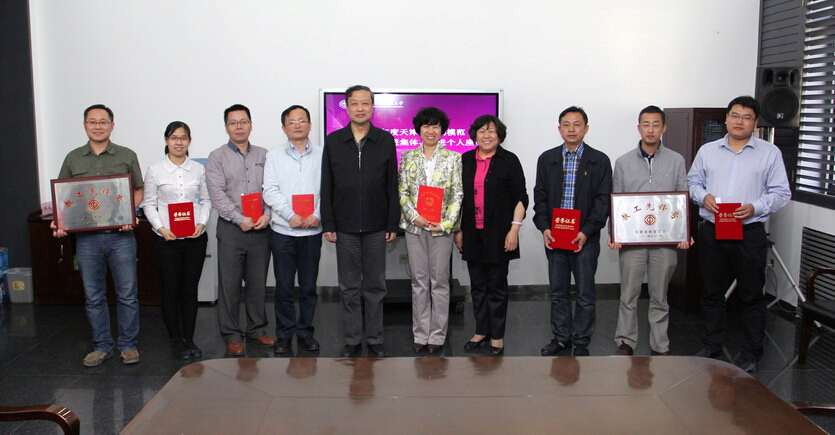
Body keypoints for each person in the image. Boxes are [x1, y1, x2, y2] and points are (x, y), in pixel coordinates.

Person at [687, 95, 791, 374]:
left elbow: (781, 193)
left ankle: (751, 353)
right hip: (713, 230)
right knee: (712, 292)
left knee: (752, 295)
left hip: (749, 232)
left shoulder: (770, 153)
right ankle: (712, 348)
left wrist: (755, 207)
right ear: (726, 119)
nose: (739, 122)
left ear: (755, 123)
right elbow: (693, 182)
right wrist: (703, 196)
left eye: (746, 117)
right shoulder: (708, 151)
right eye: (735, 115)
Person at [52, 104, 144, 366]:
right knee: (93, 296)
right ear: (85, 126)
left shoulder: (126, 155)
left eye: (103, 122)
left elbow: (139, 189)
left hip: (121, 237)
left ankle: (128, 345)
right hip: (87, 240)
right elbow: (63, 195)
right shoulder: (73, 158)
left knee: (127, 294)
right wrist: (60, 221)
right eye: (92, 122)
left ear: (112, 125)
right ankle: (102, 346)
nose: (98, 126)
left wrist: (129, 213)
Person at [321, 85, 400, 358]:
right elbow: (327, 184)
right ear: (346, 107)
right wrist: (329, 223)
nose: (360, 108)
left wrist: (392, 223)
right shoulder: (334, 141)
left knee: (376, 287)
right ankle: (352, 340)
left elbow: (392, 184)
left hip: (377, 227)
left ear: (372, 107)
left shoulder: (384, 140)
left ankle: (376, 339)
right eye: (354, 103)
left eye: (365, 103)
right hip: (344, 227)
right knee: (349, 288)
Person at [608, 106, 691, 357]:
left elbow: (682, 198)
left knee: (659, 296)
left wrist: (684, 232)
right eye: (646, 124)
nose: (651, 129)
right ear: (639, 128)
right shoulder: (623, 162)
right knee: (628, 294)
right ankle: (625, 341)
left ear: (664, 128)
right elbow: (616, 200)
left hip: (665, 242)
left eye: (656, 124)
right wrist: (614, 233)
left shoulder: (676, 160)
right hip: (631, 242)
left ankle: (660, 344)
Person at [534, 106, 612, 357]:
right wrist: (545, 227)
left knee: (585, 293)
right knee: (558, 292)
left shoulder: (599, 160)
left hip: (585, 238)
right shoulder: (547, 159)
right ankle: (561, 338)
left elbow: (603, 201)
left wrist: (586, 231)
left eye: (577, 124)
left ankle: (581, 340)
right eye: (566, 124)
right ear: (559, 129)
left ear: (586, 129)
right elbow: (540, 197)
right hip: (556, 236)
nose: (571, 129)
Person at [455, 115, 528, 357]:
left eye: (492, 131)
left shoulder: (509, 160)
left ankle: (497, 335)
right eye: (482, 131)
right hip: (471, 232)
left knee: (496, 286)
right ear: (474, 134)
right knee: (477, 286)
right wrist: (458, 230)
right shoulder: (465, 160)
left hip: (499, 233)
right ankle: (481, 331)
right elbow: (458, 199)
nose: (487, 135)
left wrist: (514, 230)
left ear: (499, 136)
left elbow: (521, 198)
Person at [206, 104, 275, 356]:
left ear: (251, 125)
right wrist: (239, 219)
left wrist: (267, 215)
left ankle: (257, 329)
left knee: (257, 284)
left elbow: (272, 188)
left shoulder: (264, 155)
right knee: (230, 284)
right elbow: (217, 193)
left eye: (243, 121)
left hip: (260, 228)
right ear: (226, 127)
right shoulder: (217, 157)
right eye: (233, 122)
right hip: (232, 229)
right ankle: (232, 334)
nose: (239, 126)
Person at [140, 121, 211, 359]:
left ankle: (189, 339)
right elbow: (149, 204)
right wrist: (160, 228)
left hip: (194, 238)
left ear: (189, 141)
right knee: (170, 290)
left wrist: (201, 223)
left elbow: (206, 200)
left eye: (183, 138)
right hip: (167, 240)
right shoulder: (155, 170)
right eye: (174, 138)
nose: (178, 142)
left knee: (190, 290)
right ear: (166, 141)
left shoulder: (199, 169)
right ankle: (175, 340)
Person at [398, 107, 463, 354]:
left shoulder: (453, 158)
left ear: (442, 129)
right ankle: (420, 333)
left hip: (441, 230)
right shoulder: (407, 156)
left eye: (435, 125)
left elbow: (458, 194)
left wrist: (446, 223)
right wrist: (414, 216)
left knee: (440, 282)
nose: (431, 130)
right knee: (419, 282)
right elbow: (402, 191)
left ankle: (437, 335)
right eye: (426, 125)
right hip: (415, 228)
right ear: (419, 129)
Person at [262, 105, 323, 355]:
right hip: (283, 232)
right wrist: (290, 215)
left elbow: (329, 189)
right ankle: (285, 334)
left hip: (312, 233)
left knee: (308, 287)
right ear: (284, 128)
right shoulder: (274, 156)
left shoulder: (323, 154)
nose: (297, 125)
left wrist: (318, 214)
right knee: (284, 287)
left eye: (302, 120)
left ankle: (306, 332)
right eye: (292, 122)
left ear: (309, 125)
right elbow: (269, 190)